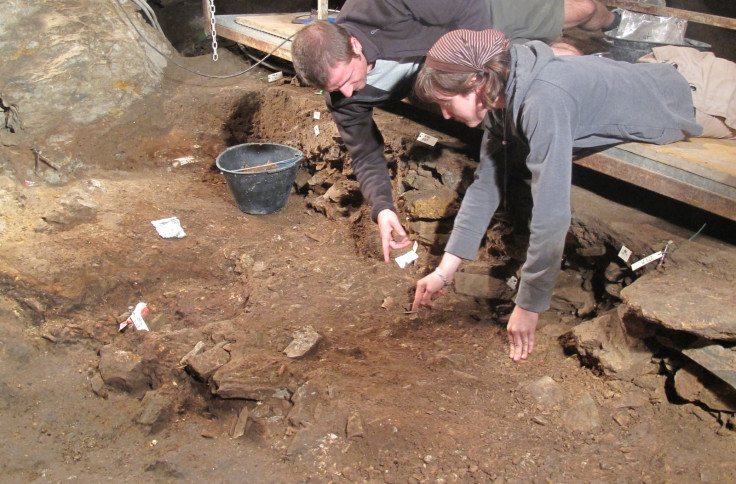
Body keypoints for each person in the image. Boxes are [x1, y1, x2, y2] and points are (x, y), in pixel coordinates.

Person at [410, 28, 708, 362]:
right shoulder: (502, 95)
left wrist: (529, 303)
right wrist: (444, 272)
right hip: (654, 70)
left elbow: (551, 213)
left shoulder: (542, 100)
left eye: (446, 104)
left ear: (476, 84)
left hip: (697, 95)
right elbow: (486, 184)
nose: (446, 115)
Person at [291, 0, 619, 263]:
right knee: (565, 58)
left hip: (478, 18)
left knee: (585, 11)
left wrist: (477, 74)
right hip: (451, 69)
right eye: (334, 89)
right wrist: (383, 207)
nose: (347, 94)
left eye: (347, 79)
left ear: (353, 44)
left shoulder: (378, 6)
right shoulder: (343, 96)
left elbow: (466, 7)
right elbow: (364, 152)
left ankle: (617, 21)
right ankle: (584, 58)